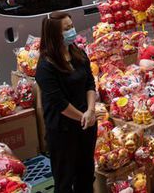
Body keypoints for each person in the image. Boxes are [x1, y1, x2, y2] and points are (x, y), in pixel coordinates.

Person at [35, 11, 97, 193]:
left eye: (72, 26)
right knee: (64, 178)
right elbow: (58, 102)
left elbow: (90, 83)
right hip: (63, 129)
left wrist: (91, 111)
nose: (72, 31)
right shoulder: (46, 66)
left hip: (86, 125)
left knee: (86, 173)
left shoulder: (78, 53)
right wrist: (82, 117)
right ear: (55, 34)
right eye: (67, 29)